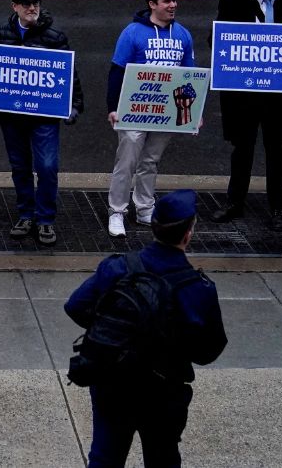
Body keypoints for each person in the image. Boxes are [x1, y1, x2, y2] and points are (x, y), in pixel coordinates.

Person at [65, 189, 227, 467]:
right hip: (164, 392)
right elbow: (208, 352)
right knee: (163, 457)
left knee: (105, 457)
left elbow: (75, 306)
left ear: (153, 227)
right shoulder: (198, 289)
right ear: (188, 234)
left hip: (112, 381)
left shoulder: (118, 267)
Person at [0, 0, 83, 246]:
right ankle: (26, 214)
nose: (32, 7)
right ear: (14, 7)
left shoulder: (54, 35)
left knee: (47, 166)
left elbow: (70, 74)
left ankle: (45, 219)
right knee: (20, 166)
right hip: (11, 116)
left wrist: (75, 105)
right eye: (26, 4)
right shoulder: (1, 32)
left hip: (44, 117)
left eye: (36, 2)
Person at [210, 0, 282, 231]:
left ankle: (278, 208)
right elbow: (214, 40)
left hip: (277, 94)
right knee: (242, 150)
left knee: (276, 151)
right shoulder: (234, 3)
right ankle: (234, 203)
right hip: (244, 94)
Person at [106, 0, 196, 238]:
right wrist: (113, 107)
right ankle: (117, 211)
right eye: (167, 1)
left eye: (174, 0)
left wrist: (194, 114)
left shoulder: (183, 35)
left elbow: (190, 76)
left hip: (165, 112)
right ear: (152, 4)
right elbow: (117, 71)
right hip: (134, 109)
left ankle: (145, 207)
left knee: (151, 161)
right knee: (127, 161)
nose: (173, 5)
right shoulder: (132, 33)